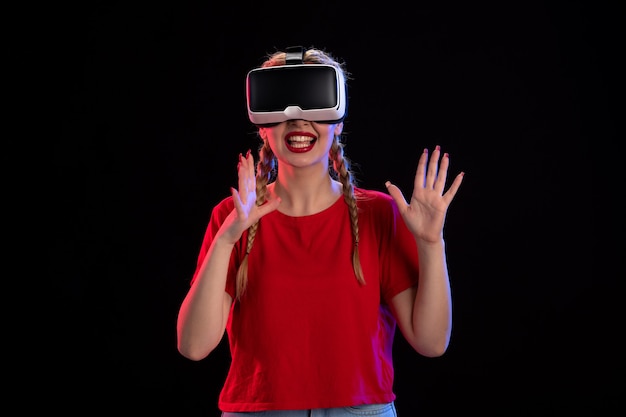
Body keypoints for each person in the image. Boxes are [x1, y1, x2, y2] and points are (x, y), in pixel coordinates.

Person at [176, 46, 464, 416]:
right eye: (281, 107)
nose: (298, 121)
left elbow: (431, 342)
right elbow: (193, 346)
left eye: (314, 105)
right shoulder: (232, 218)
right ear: (263, 127)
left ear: (338, 121)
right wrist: (225, 241)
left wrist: (430, 243)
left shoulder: (379, 213)